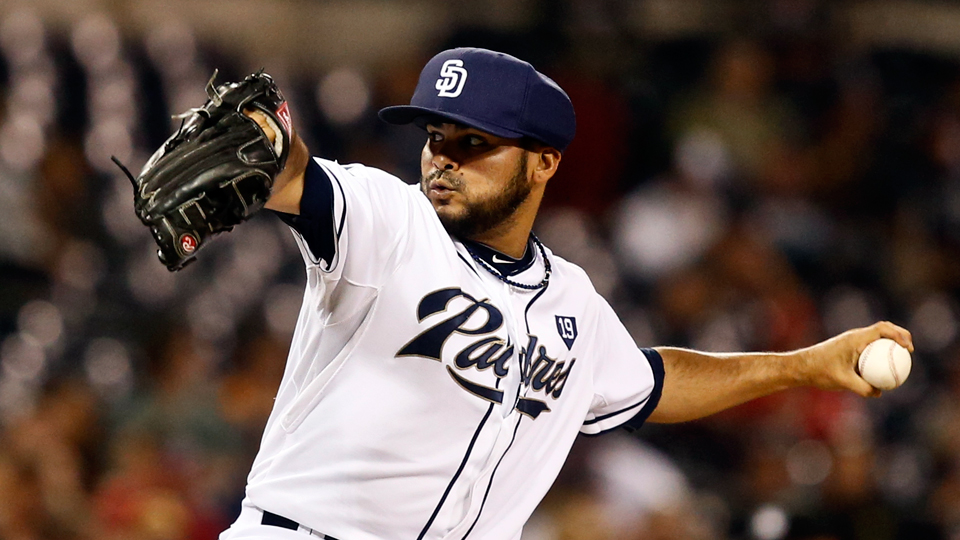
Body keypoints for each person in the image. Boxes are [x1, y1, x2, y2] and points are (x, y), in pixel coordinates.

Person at [221, 48, 913, 540]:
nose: (444, 160)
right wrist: (259, 140)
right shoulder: (386, 221)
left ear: (545, 161)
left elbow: (655, 381)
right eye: (436, 138)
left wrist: (806, 364)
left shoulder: (574, 302)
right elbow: (298, 178)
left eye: (474, 142)